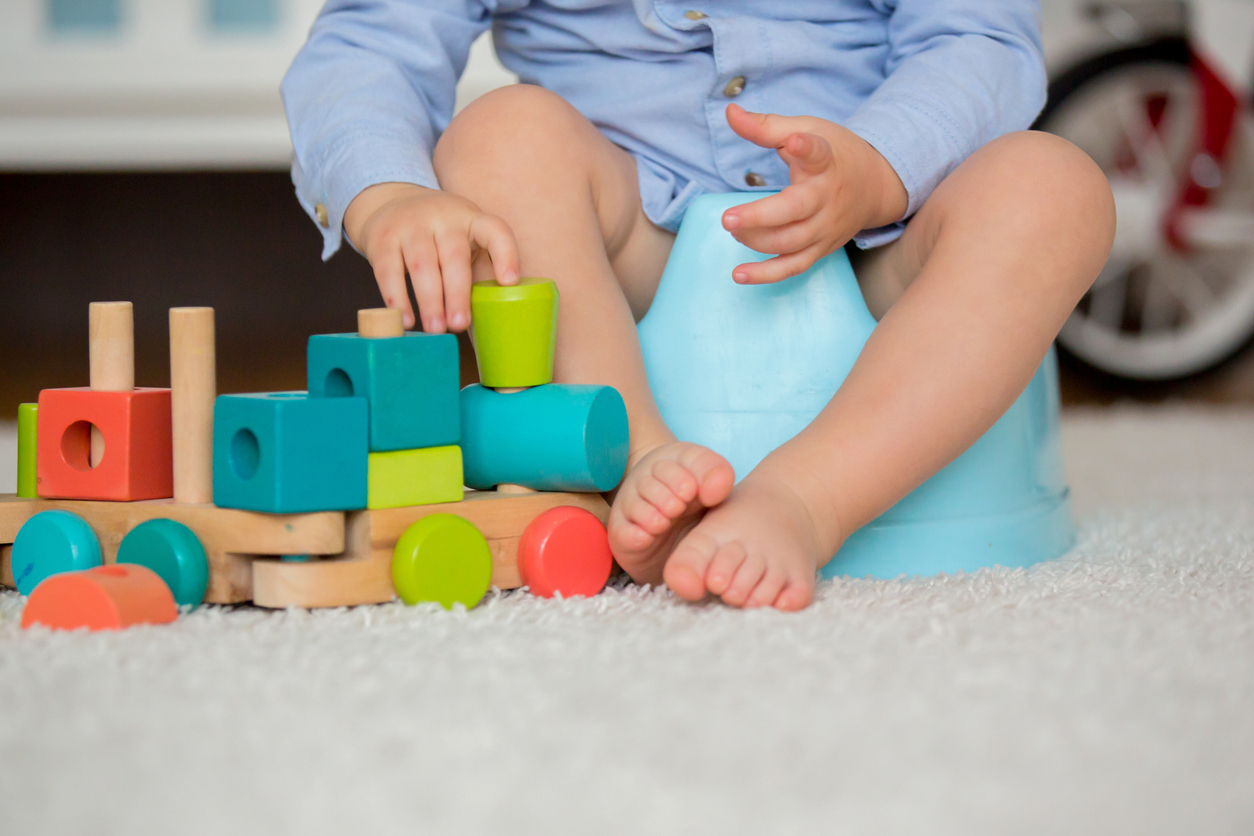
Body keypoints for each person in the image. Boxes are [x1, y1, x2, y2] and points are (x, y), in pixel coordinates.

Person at [282, 1, 1114, 611]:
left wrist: (881, 166)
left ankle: (808, 496)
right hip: (640, 246)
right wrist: (387, 194)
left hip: (880, 237)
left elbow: (979, 39)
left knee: (1055, 187)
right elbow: (369, 42)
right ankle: (640, 458)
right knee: (494, 137)